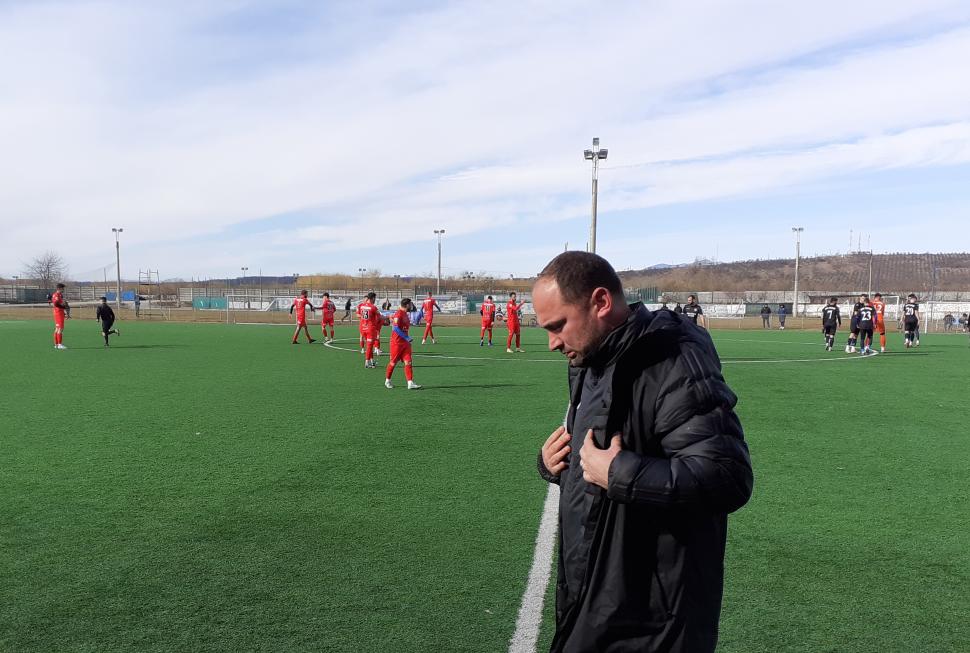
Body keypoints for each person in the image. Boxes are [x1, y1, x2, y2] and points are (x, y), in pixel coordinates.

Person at [533, 252, 753, 652]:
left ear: (601, 302)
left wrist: (619, 473)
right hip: (595, 600)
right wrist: (555, 464)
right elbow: (602, 459)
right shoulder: (592, 358)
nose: (552, 343)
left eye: (558, 326)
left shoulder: (673, 360)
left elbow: (727, 476)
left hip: (651, 622)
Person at [384, 298, 422, 390]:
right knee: (393, 363)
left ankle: (410, 382)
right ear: (407, 305)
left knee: (408, 361)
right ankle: (387, 380)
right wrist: (406, 337)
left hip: (405, 344)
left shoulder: (405, 313)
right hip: (396, 343)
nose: (411, 306)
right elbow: (395, 328)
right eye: (410, 304)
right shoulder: (398, 314)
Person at [357, 292, 382, 368]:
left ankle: (371, 361)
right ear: (373, 298)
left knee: (369, 346)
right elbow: (379, 316)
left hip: (362, 328)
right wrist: (387, 318)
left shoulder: (361, 306)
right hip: (370, 329)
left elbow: (359, 315)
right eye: (375, 299)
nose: (375, 300)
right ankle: (367, 363)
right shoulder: (373, 307)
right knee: (369, 346)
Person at [50, 282, 70, 349]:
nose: (63, 289)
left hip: (59, 313)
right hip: (58, 313)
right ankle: (59, 344)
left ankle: (56, 344)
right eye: (62, 288)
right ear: (59, 288)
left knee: (57, 329)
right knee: (60, 329)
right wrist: (63, 307)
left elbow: (59, 304)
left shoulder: (59, 295)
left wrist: (64, 313)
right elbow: (56, 304)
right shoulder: (56, 295)